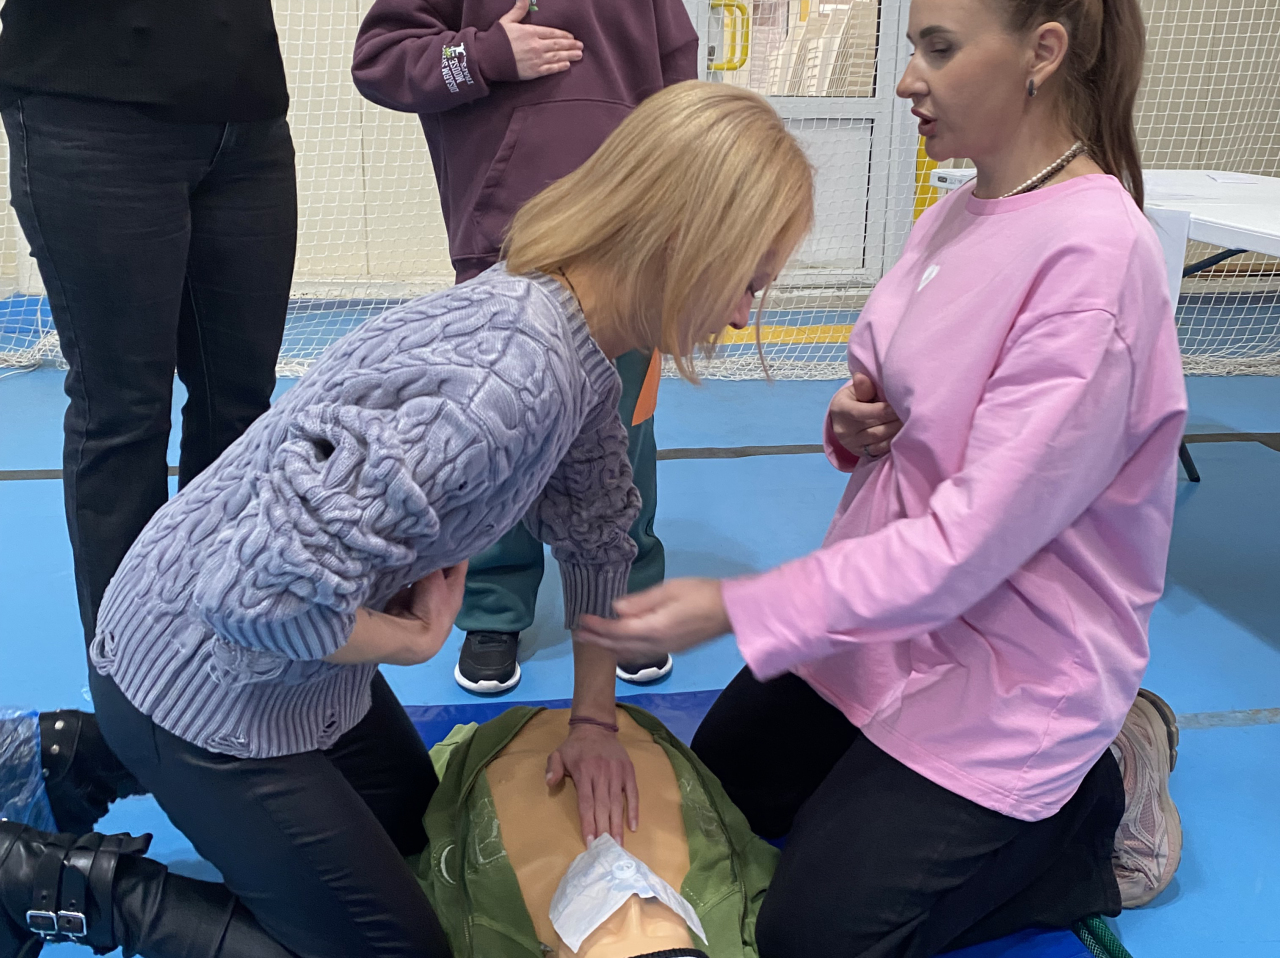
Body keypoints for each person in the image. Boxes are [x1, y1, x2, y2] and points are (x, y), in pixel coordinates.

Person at [0, 82, 813, 958]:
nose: (742, 315)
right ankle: (47, 884)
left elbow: (598, 528)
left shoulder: (574, 335)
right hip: (196, 677)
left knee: (425, 835)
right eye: (747, 283)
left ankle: (72, 758)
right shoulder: (505, 388)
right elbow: (251, 597)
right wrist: (411, 642)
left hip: (290, 661)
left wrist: (593, 722)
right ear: (682, 243)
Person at [578, 0, 1189, 953]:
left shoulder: (1096, 260)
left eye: (937, 50)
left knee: (814, 936)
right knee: (727, 785)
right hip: (890, 621)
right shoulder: (954, 213)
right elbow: (901, 390)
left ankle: (1101, 805)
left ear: (1043, 53)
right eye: (914, 48)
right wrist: (849, 418)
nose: (909, 80)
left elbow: (971, 545)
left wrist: (739, 605)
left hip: (1013, 662)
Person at [0, 0, 299, 832]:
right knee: (123, 414)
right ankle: (139, 699)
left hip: (244, 105)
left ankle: (232, 659)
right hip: (88, 107)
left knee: (242, 411)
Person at [352, 0, 699, 694]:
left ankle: (625, 603)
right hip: (505, 239)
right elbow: (382, 61)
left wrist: (680, 210)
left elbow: (678, 89)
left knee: (625, 432)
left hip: (630, 239)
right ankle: (492, 606)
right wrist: (486, 56)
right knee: (500, 431)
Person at [415, 705, 775, 958]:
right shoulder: (730, 920)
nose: (632, 914)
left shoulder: (487, 932)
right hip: (627, 735)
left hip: (502, 750)